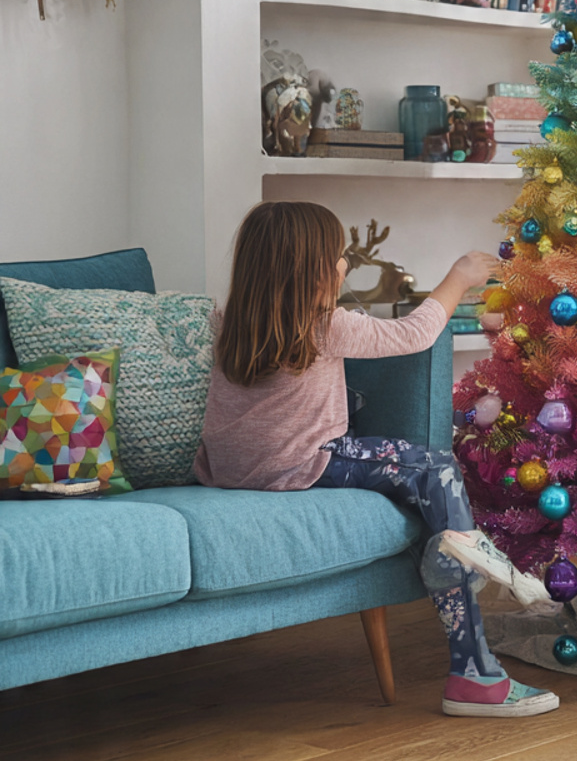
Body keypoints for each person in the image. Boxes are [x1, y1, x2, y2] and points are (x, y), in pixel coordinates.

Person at [195, 200, 558, 718]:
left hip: (229, 471)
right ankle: (474, 670)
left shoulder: (225, 322)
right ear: (312, 271)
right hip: (304, 462)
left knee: (394, 444)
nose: (344, 266)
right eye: (338, 257)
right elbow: (415, 335)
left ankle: (457, 570)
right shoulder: (327, 325)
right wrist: (459, 276)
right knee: (435, 467)